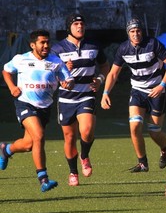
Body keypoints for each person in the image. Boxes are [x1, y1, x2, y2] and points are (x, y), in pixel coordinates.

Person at [0, 29, 74, 192]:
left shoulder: (56, 62)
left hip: (44, 108)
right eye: (42, 42)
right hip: (25, 104)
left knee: (28, 144)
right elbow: (5, 70)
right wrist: (12, 87)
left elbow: (68, 79)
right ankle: (43, 179)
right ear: (33, 45)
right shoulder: (21, 59)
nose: (46, 45)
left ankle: (6, 150)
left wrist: (68, 84)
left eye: (48, 42)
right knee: (39, 135)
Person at [101, 18, 166, 172]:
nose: (135, 34)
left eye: (138, 31)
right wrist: (105, 93)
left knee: (153, 131)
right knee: (135, 126)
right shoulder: (123, 49)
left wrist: (162, 85)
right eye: (132, 31)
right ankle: (143, 163)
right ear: (128, 33)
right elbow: (113, 73)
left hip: (157, 91)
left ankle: (165, 147)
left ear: (141, 32)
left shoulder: (153, 44)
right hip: (137, 91)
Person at [51, 13, 110, 186]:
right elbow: (50, 74)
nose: (79, 27)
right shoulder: (58, 49)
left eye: (82, 24)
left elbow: (105, 66)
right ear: (69, 27)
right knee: (69, 138)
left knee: (87, 130)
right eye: (76, 24)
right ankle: (73, 172)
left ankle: (84, 155)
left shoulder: (93, 46)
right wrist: (62, 70)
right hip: (66, 99)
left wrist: (99, 80)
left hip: (86, 95)